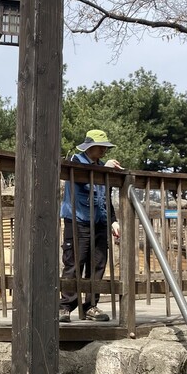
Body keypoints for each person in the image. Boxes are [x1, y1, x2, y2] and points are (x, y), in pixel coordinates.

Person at [58, 129, 123, 323]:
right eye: (101, 147)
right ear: (90, 147)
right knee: (74, 263)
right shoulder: (75, 161)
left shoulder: (103, 167)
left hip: (100, 222)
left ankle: (90, 306)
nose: (104, 150)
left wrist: (113, 220)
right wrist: (105, 170)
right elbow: (82, 180)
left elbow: (106, 198)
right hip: (77, 220)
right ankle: (65, 307)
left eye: (105, 147)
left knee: (97, 264)